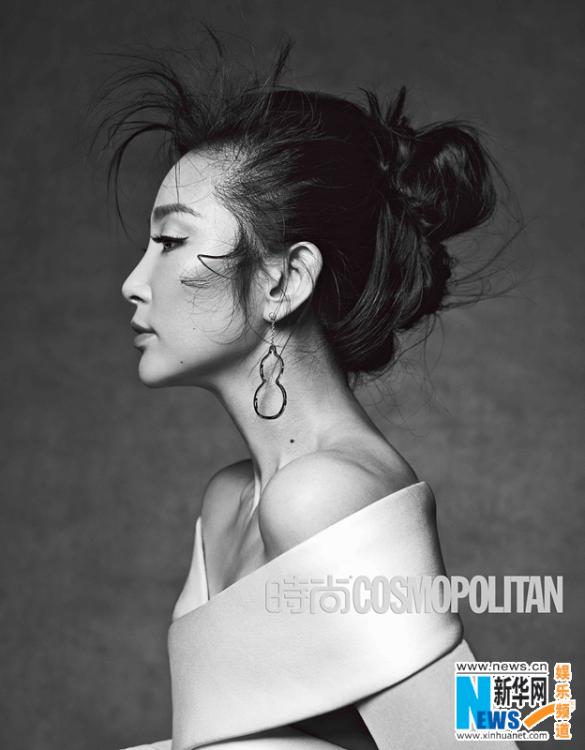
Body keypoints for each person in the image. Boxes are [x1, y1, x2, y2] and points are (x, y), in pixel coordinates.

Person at [101, 38, 517, 750]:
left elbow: (481, 733)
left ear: (285, 281)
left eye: (169, 242)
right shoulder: (231, 500)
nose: (133, 283)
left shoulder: (321, 494)